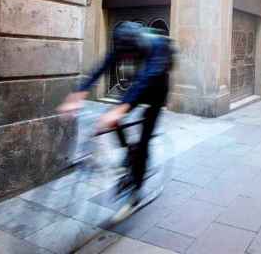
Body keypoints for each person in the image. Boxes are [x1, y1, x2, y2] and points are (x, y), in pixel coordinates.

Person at [57, 22, 174, 208]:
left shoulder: (157, 46)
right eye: (123, 54)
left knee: (143, 141)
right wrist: (77, 95)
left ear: (137, 45)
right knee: (111, 117)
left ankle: (137, 188)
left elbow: (146, 79)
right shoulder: (124, 44)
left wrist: (120, 109)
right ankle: (128, 150)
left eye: (129, 54)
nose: (125, 57)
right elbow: (102, 67)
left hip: (156, 89)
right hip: (139, 84)